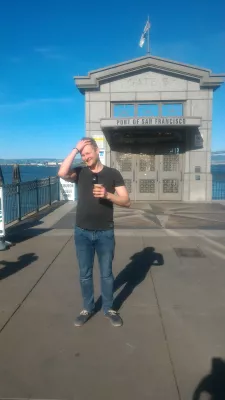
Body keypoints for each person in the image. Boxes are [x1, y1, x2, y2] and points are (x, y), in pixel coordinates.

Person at [58, 137, 130, 327]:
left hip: (105, 232)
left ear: (98, 151)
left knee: (106, 274)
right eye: (83, 154)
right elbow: (61, 172)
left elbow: (126, 201)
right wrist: (75, 148)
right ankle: (87, 308)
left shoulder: (113, 174)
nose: (86, 157)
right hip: (82, 232)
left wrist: (107, 195)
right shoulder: (80, 172)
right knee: (85, 273)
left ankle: (108, 308)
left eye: (88, 153)